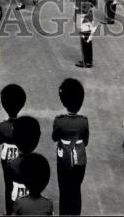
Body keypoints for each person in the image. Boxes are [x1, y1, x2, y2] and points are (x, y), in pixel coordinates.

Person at [52, 78, 89, 216]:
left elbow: (55, 137)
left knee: (64, 189)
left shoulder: (59, 121)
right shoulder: (83, 121)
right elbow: (86, 141)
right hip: (80, 157)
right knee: (76, 188)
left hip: (63, 158)